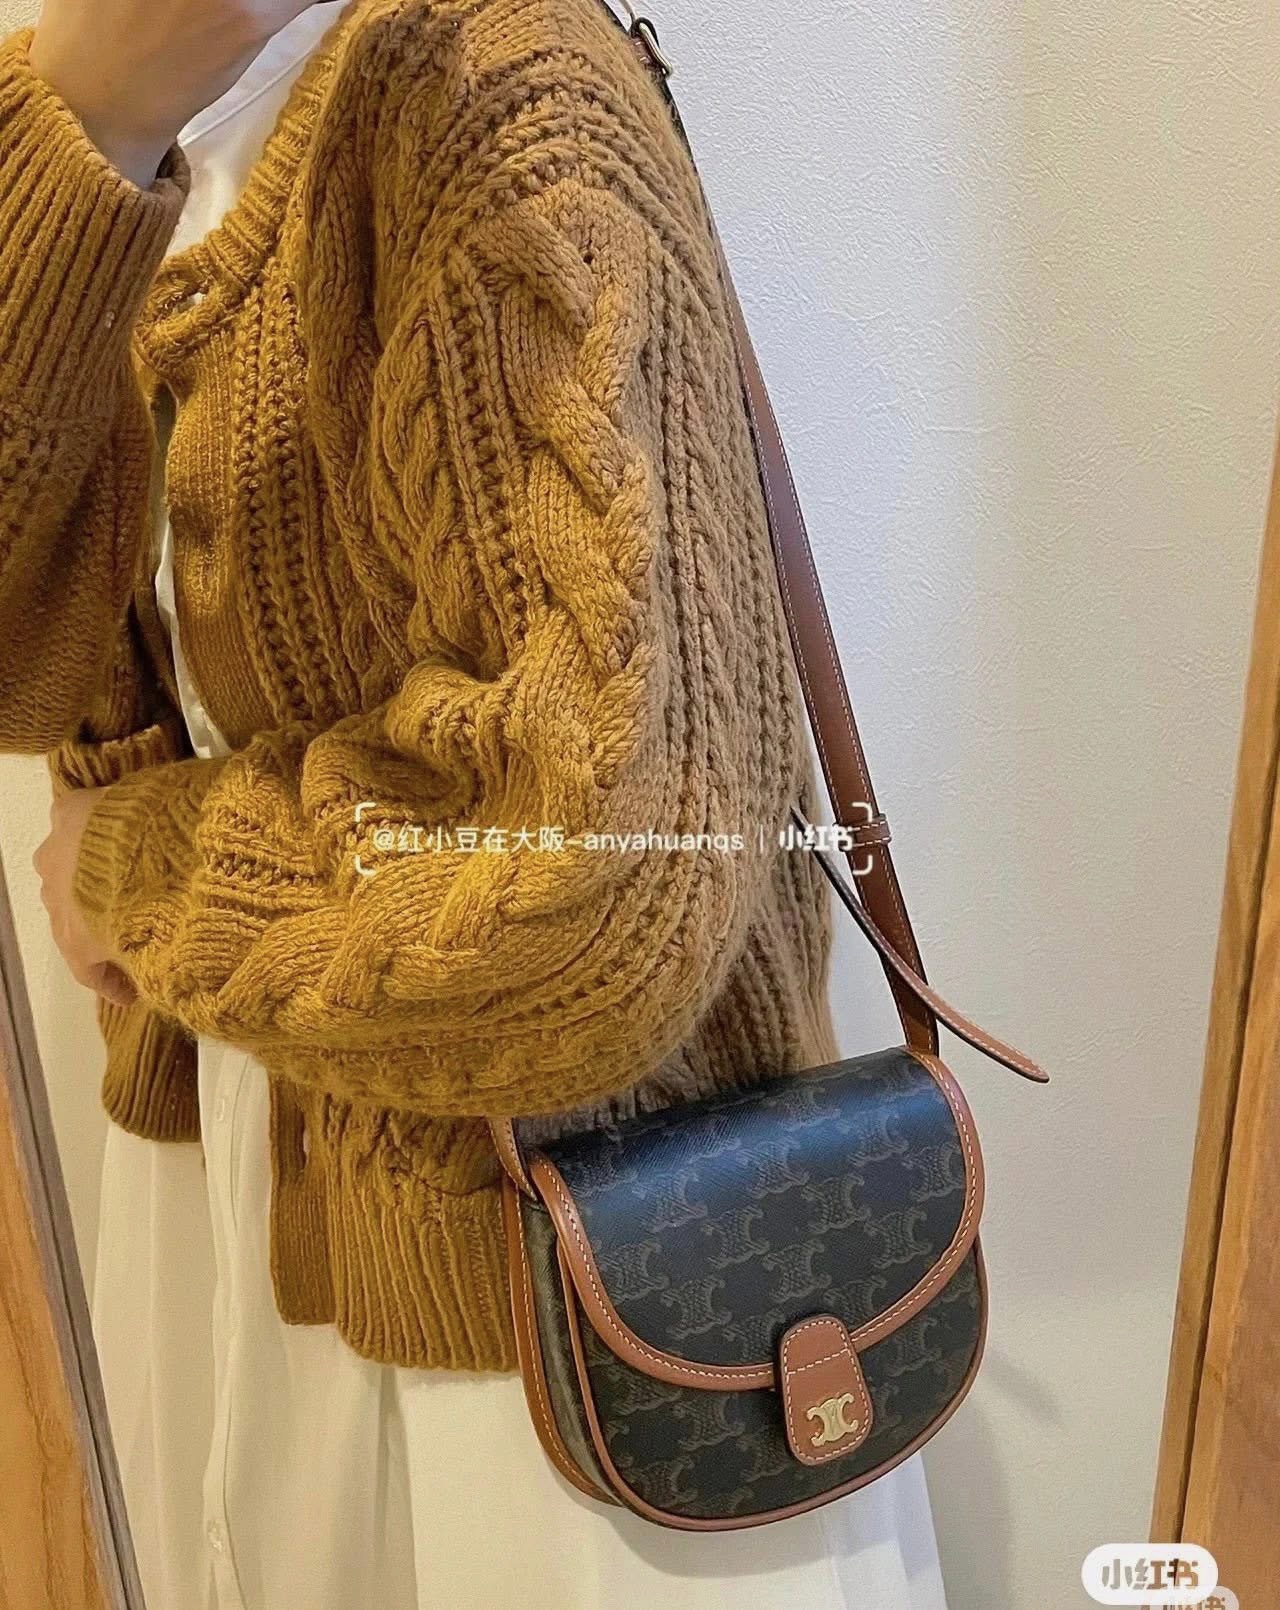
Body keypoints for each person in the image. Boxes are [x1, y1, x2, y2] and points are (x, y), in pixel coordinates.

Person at [1, 0, 951, 1605]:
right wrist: (86, 119)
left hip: (575, 1342)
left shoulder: (497, 89)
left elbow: (596, 894)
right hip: (267, 1238)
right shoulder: (103, 119)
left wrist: (140, 873)